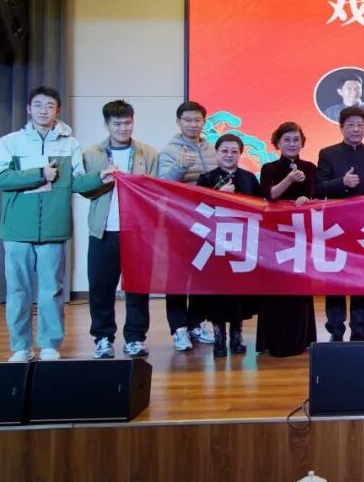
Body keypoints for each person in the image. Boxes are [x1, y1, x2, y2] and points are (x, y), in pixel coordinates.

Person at [0, 86, 105, 362]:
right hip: (16, 231)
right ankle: (21, 347)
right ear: (29, 109)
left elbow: (76, 183)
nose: (43, 110)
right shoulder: (10, 141)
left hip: (54, 229)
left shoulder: (70, 144)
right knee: (18, 292)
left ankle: (49, 345)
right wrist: (39, 174)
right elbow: (2, 178)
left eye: (49, 106)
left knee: (52, 291)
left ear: (58, 110)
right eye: (38, 105)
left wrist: (101, 178)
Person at [82, 99, 159, 359]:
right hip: (103, 230)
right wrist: (102, 178)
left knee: (137, 287)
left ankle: (135, 338)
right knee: (100, 287)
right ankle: (103, 338)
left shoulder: (148, 153)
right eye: (117, 124)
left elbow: (155, 191)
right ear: (107, 125)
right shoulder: (92, 153)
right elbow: (84, 190)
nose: (123, 128)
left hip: (137, 232)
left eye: (127, 123)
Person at [316, 105, 364, 341]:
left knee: (361, 278)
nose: (356, 129)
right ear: (341, 128)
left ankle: (359, 329)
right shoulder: (328, 154)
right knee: (334, 278)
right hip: (335, 226)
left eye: (360, 125)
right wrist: (342, 183)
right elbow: (319, 187)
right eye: (351, 125)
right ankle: (336, 330)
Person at [158, 100, 219, 351]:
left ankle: (196, 322)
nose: (193, 124)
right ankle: (178, 328)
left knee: (201, 274)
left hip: (206, 222)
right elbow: (162, 184)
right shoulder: (169, 151)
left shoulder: (211, 149)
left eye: (197, 120)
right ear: (178, 122)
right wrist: (179, 167)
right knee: (177, 277)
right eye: (188, 120)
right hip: (179, 222)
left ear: (204, 121)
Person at [257, 121, 319, 356]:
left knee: (299, 287)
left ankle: (302, 339)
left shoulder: (310, 167)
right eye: (287, 140)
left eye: (296, 139)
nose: (292, 144)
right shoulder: (269, 168)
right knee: (276, 288)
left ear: (302, 142)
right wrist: (290, 180)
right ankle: (274, 340)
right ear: (277, 143)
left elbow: (314, 195)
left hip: (301, 237)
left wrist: (307, 199)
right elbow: (269, 195)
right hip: (274, 237)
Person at [197, 134, 260, 357]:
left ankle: (237, 336)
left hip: (242, 244)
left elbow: (261, 208)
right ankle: (219, 338)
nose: (229, 155)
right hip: (216, 245)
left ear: (240, 154)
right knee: (217, 294)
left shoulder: (249, 178)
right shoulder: (206, 179)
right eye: (225, 150)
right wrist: (218, 196)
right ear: (216, 152)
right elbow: (199, 210)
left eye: (234, 151)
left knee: (239, 293)